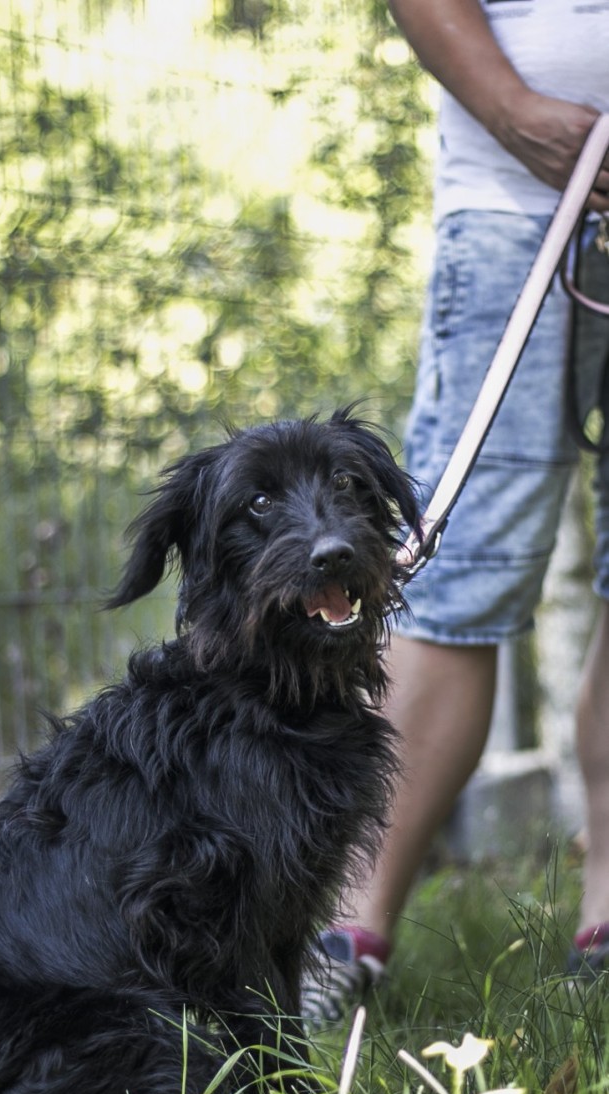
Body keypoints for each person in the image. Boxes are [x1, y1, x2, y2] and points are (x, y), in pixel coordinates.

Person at [301, 0, 609, 1026]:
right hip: (513, 204)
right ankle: (346, 930)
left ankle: (606, 920)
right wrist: (515, 107)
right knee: (454, 566)